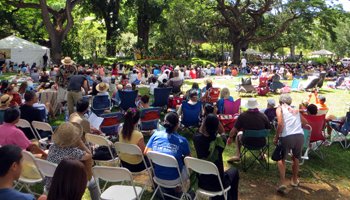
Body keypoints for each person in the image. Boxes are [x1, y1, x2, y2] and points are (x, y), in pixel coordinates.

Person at [46, 122, 98, 200]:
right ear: (74, 139)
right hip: (67, 187)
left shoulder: (52, 147)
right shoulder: (73, 152)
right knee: (93, 183)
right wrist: (80, 143)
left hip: (51, 185)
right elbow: (89, 155)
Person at [194, 114, 239, 200]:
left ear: (204, 125)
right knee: (234, 171)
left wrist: (205, 123)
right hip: (218, 184)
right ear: (217, 127)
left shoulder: (196, 139)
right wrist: (218, 124)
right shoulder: (220, 142)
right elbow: (222, 133)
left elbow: (199, 131)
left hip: (201, 181)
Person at [145, 112, 190, 192]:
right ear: (177, 125)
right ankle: (179, 189)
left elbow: (146, 152)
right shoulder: (182, 141)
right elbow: (189, 159)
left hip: (157, 176)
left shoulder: (155, 135)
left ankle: (157, 187)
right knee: (187, 165)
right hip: (175, 179)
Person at [274, 94, 308, 193]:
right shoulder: (295, 110)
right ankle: (294, 180)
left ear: (280, 102)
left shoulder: (279, 109)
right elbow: (305, 122)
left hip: (287, 136)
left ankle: (282, 182)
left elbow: (280, 124)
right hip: (300, 136)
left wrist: (276, 137)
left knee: (281, 158)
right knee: (296, 158)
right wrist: (295, 124)